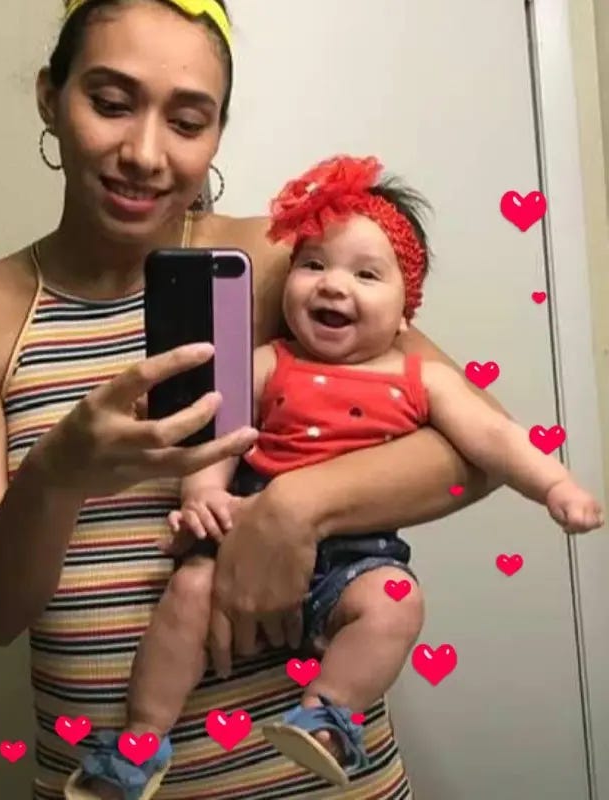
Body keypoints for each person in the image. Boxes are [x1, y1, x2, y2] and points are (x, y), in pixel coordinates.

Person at [0, 1, 514, 798]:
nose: (144, 153)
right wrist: (58, 474)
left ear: (219, 133)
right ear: (50, 97)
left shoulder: (282, 264)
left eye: (188, 121)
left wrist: (295, 509)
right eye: (111, 102)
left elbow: (486, 446)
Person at [103, 154, 604, 798]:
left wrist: (556, 486)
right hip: (242, 540)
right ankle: (140, 741)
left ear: (405, 312)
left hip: (357, 563)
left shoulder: (423, 379)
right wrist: (203, 493)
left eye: (366, 274)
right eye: (313, 265)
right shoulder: (270, 361)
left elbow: (495, 438)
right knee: (188, 591)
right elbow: (216, 428)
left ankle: (325, 716)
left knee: (398, 603)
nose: (333, 285)